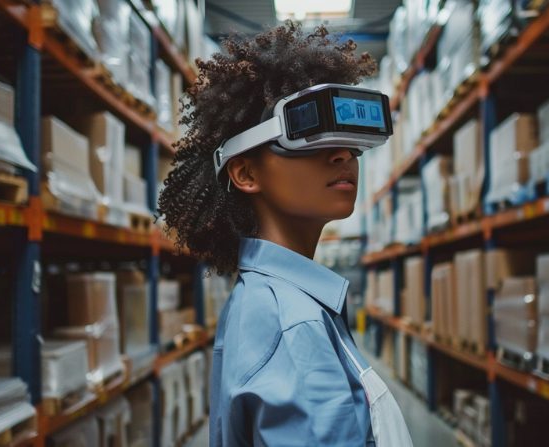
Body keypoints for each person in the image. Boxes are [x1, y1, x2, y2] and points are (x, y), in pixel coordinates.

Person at [158, 22, 412, 446]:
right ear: (245, 172)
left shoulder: (270, 301)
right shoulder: (293, 324)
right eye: (311, 138)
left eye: (353, 145)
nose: (343, 156)